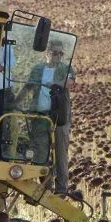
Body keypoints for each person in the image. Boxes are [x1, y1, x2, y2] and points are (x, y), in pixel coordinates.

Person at [19, 39, 76, 197]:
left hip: (59, 115)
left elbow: (69, 82)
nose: (58, 56)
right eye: (54, 53)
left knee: (60, 152)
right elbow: (29, 86)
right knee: (40, 151)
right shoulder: (37, 69)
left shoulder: (66, 68)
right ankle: (45, 187)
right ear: (47, 53)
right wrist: (16, 101)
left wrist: (54, 83)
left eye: (60, 53)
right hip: (40, 114)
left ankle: (62, 188)